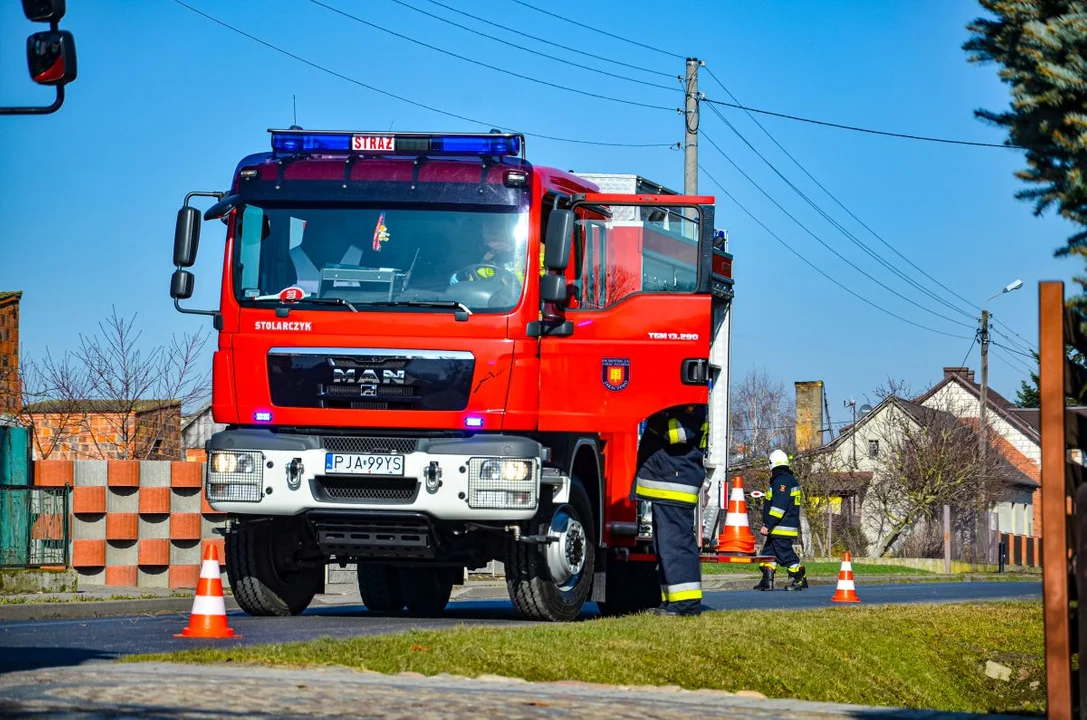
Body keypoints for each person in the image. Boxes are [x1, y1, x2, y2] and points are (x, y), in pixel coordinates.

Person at [631, 405, 709, 616]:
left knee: (676, 544)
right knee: (665, 544)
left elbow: (679, 435)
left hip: (675, 482)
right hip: (669, 481)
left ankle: (686, 604)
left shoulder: (692, 405)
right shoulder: (689, 405)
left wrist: (659, 414)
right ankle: (672, 601)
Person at [754, 450, 808, 591]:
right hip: (781, 527)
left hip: (781, 528)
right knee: (768, 554)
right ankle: (767, 581)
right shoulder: (788, 480)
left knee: (785, 555)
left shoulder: (782, 481)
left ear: (773, 464)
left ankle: (799, 578)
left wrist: (768, 525)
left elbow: (779, 507)